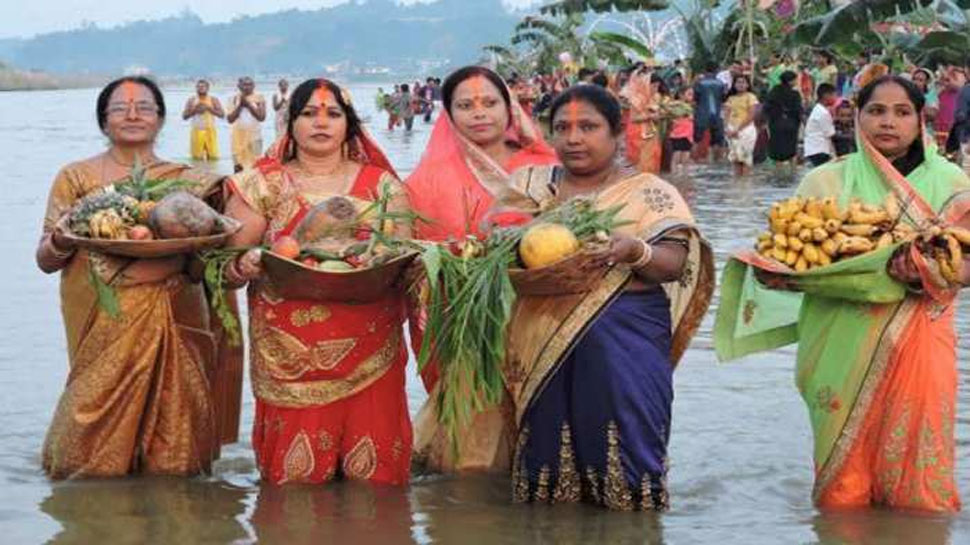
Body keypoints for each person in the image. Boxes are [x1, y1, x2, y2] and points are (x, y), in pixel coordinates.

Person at [716, 75, 970, 512]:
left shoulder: (952, 182)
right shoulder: (824, 182)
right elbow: (791, 255)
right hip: (839, 342)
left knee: (920, 492)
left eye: (901, 112)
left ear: (920, 120)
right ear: (855, 116)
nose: (887, 122)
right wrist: (777, 275)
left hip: (921, 341)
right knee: (842, 496)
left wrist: (926, 270)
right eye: (875, 111)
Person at [498, 84, 713, 510]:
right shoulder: (530, 185)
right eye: (562, 127)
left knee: (629, 479)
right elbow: (497, 244)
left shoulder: (649, 192)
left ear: (618, 133)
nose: (574, 138)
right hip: (541, 340)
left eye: (588, 126)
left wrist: (635, 250)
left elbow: (675, 262)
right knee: (545, 483)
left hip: (625, 345)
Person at [36, 76, 238, 479]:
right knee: (85, 457)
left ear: (161, 119)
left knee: (176, 458)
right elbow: (46, 259)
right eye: (119, 108)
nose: (132, 115)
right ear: (103, 121)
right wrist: (62, 235)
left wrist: (196, 252)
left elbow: (206, 266)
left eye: (144, 107)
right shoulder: (76, 178)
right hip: (105, 322)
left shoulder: (191, 181)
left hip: (178, 315)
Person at [222, 79, 413, 485]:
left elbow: (406, 260)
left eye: (333, 114)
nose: (320, 123)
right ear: (290, 124)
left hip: (371, 350)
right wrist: (246, 266)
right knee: (292, 492)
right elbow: (222, 264)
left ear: (350, 124)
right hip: (289, 357)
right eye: (308, 114)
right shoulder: (261, 184)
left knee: (376, 493)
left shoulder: (383, 187)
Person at [405, 65, 558, 472]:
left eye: (490, 102)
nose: (479, 113)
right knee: (473, 445)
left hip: (538, 313)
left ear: (509, 108)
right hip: (467, 321)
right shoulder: (426, 180)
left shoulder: (545, 165)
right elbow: (413, 257)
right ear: (449, 115)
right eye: (465, 105)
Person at [622, 71, 667, 174]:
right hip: (638, 133)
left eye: (657, 87)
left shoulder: (654, 98)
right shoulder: (637, 99)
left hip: (651, 132)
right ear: (646, 84)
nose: (655, 90)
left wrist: (659, 117)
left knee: (653, 158)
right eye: (653, 86)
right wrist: (650, 116)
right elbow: (633, 118)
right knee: (640, 162)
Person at [763, 71, 802, 176]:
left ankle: (778, 174)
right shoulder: (795, 94)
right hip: (791, 125)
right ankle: (793, 173)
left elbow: (766, 108)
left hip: (776, 124)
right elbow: (798, 111)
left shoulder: (773, 92)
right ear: (790, 81)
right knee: (791, 151)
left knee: (777, 152)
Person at [227, 76, 267, 172]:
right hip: (238, 136)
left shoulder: (259, 99)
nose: (247, 87)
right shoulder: (233, 99)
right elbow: (230, 119)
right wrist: (240, 105)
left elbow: (261, 117)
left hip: (255, 136)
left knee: (255, 164)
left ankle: (253, 185)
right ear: (239, 86)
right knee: (238, 165)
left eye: (250, 84)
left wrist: (248, 105)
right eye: (244, 84)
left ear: (254, 86)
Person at [724, 74, 759, 176]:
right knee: (735, 158)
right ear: (734, 84)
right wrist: (727, 128)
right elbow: (726, 114)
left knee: (745, 158)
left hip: (746, 130)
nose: (740, 85)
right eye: (738, 82)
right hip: (731, 129)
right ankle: (737, 183)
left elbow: (751, 115)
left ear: (747, 85)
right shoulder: (730, 98)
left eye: (743, 82)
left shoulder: (751, 97)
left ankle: (745, 183)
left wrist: (738, 129)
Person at [692, 62, 727, 162]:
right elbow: (723, 99)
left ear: (705, 70)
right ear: (717, 70)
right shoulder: (721, 84)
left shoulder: (699, 83)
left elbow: (695, 98)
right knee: (717, 141)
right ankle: (716, 163)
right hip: (717, 114)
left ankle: (693, 162)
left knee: (696, 140)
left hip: (701, 114)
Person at [182, 79, 224, 161]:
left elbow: (222, 115)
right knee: (196, 158)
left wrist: (209, 108)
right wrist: (194, 110)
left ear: (207, 88)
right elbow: (184, 116)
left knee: (213, 157)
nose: (200, 88)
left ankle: (212, 172)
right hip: (196, 131)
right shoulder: (191, 100)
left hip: (210, 130)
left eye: (202, 87)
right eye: (198, 87)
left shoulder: (213, 99)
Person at [803, 83, 839, 167]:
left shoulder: (818, 109)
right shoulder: (823, 113)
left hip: (813, 148)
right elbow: (831, 134)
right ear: (826, 96)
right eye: (834, 95)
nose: (835, 98)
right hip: (819, 149)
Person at [667, 87, 694, 176]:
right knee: (677, 156)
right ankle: (674, 175)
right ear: (681, 95)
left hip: (688, 135)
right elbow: (668, 108)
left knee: (686, 157)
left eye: (692, 94)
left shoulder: (690, 106)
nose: (692, 97)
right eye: (689, 94)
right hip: (677, 135)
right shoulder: (676, 105)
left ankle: (684, 176)